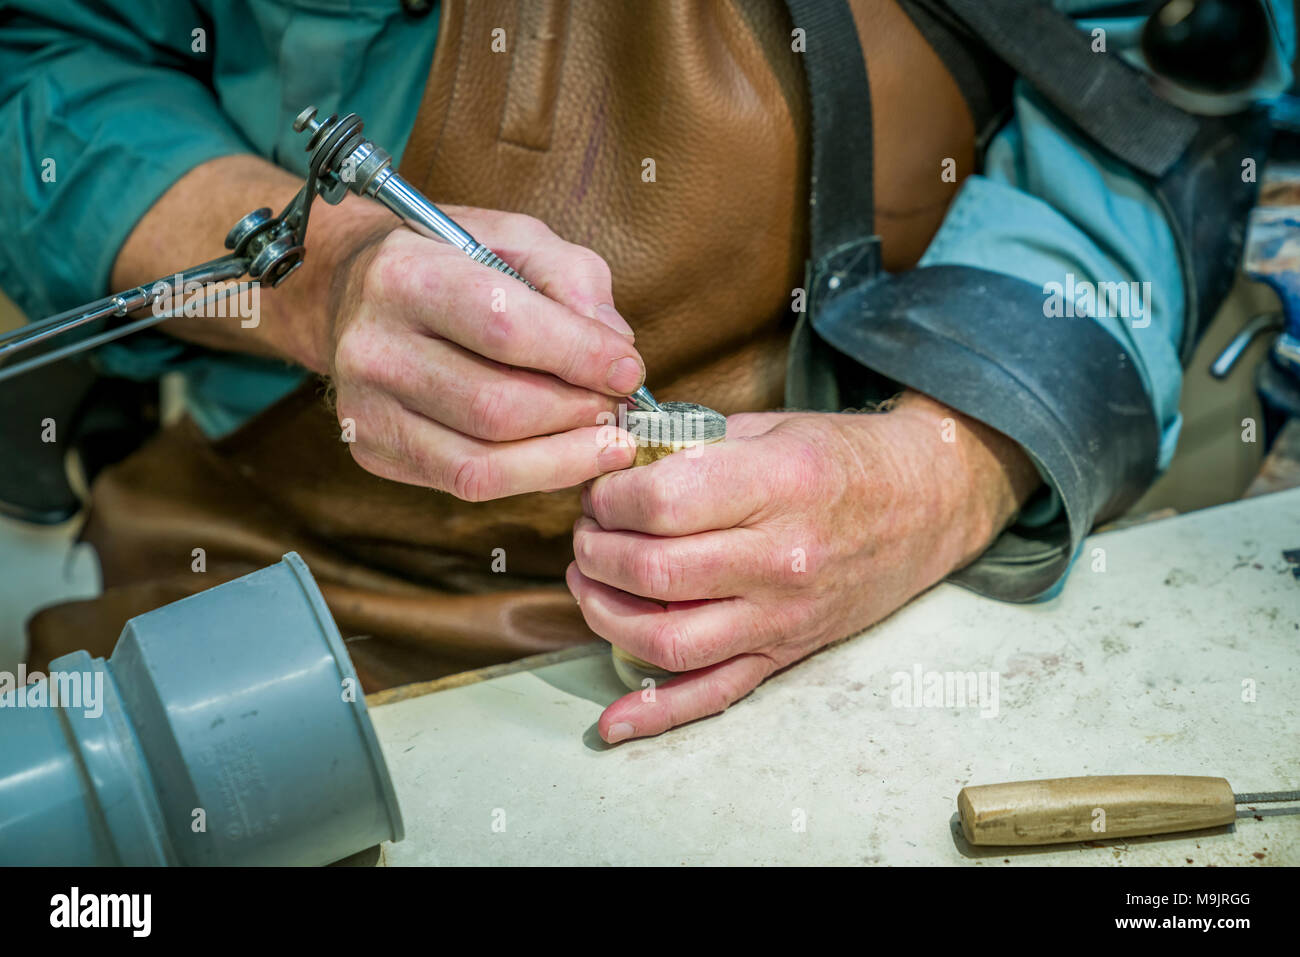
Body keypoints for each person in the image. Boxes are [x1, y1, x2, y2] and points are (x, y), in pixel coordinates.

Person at [0, 0, 1292, 743]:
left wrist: (950, 460)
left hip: (904, 600)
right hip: (299, 592)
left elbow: (1142, 91)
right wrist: (321, 274)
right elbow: (41, 61)